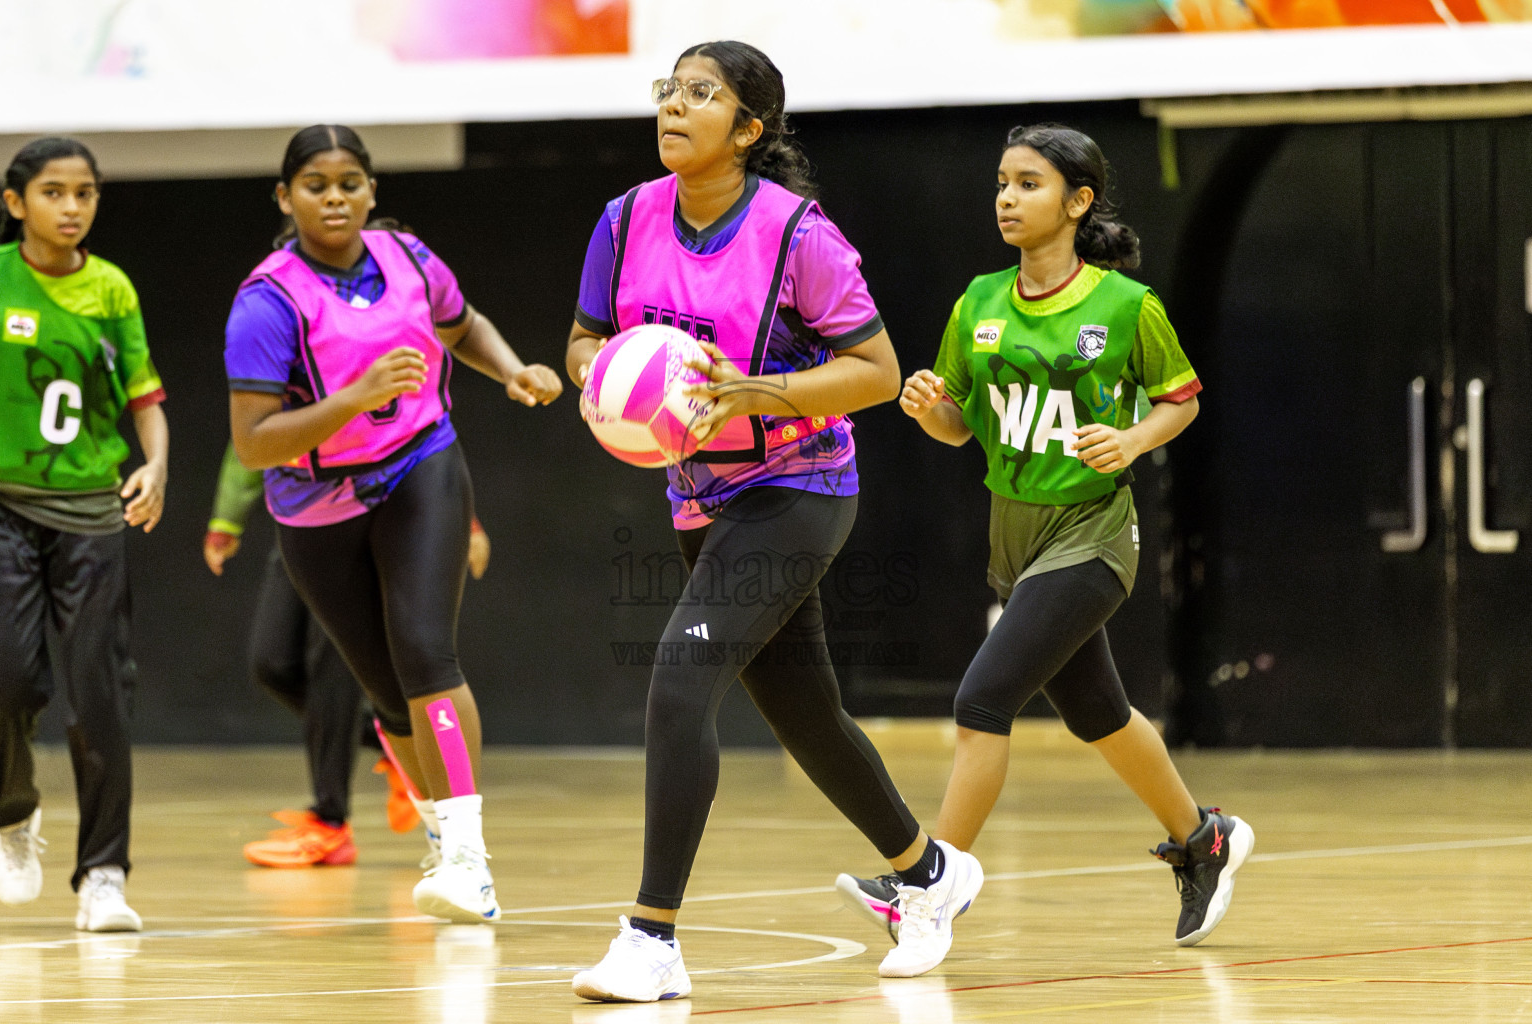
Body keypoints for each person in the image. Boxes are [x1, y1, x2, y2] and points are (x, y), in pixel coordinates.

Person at [565, 41, 983, 1003]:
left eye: (701, 94)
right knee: (807, 716)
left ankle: (652, 937)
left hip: (797, 489)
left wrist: (761, 392)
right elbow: (586, 339)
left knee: (678, 680)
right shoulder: (625, 219)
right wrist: (609, 375)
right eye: (669, 89)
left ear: (749, 131)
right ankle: (928, 875)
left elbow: (876, 372)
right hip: (695, 494)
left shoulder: (799, 235)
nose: (674, 105)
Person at [836, 123, 1253, 949]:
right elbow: (962, 428)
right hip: (1013, 543)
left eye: (1028, 183)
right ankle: (1205, 839)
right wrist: (930, 411)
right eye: (1001, 182)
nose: (1006, 197)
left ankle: (933, 885)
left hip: (1092, 536)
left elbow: (1183, 399)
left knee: (982, 698)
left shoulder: (1126, 306)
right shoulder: (979, 301)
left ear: (1078, 201)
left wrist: (1132, 440)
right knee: (1098, 713)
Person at [224, 124, 561, 922]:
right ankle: (447, 840)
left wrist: (512, 369)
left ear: (371, 191)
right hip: (317, 505)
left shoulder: (409, 259)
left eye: (349, 182)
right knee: (383, 691)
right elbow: (252, 442)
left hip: (421, 466)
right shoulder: (267, 303)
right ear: (286, 198)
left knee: (424, 652)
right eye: (315, 185)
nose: (334, 197)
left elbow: (462, 322)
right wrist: (350, 398)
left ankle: (469, 859)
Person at [0, 137, 169, 932]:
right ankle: (13, 811)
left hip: (93, 515)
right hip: (4, 508)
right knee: (10, 678)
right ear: (15, 204)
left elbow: (144, 396)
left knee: (100, 694)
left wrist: (156, 465)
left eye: (86, 194)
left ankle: (104, 874)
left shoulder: (113, 289)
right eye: (54, 193)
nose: (72, 207)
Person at [202, 440, 492, 868]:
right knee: (272, 664)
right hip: (302, 520)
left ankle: (330, 821)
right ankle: (394, 745)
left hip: (369, 521)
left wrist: (463, 520)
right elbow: (251, 429)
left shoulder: (364, 373)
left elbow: (415, 427)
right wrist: (227, 516)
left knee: (332, 671)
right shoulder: (279, 372)